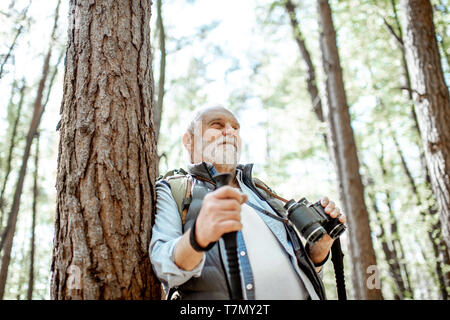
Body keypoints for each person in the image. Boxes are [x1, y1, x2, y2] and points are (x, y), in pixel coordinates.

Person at [149, 106, 346, 300]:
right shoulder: (173, 190)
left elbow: (302, 273)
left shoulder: (263, 191)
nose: (229, 132)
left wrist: (319, 252)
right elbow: (164, 269)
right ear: (189, 140)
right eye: (217, 125)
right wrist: (198, 236)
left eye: (236, 128)